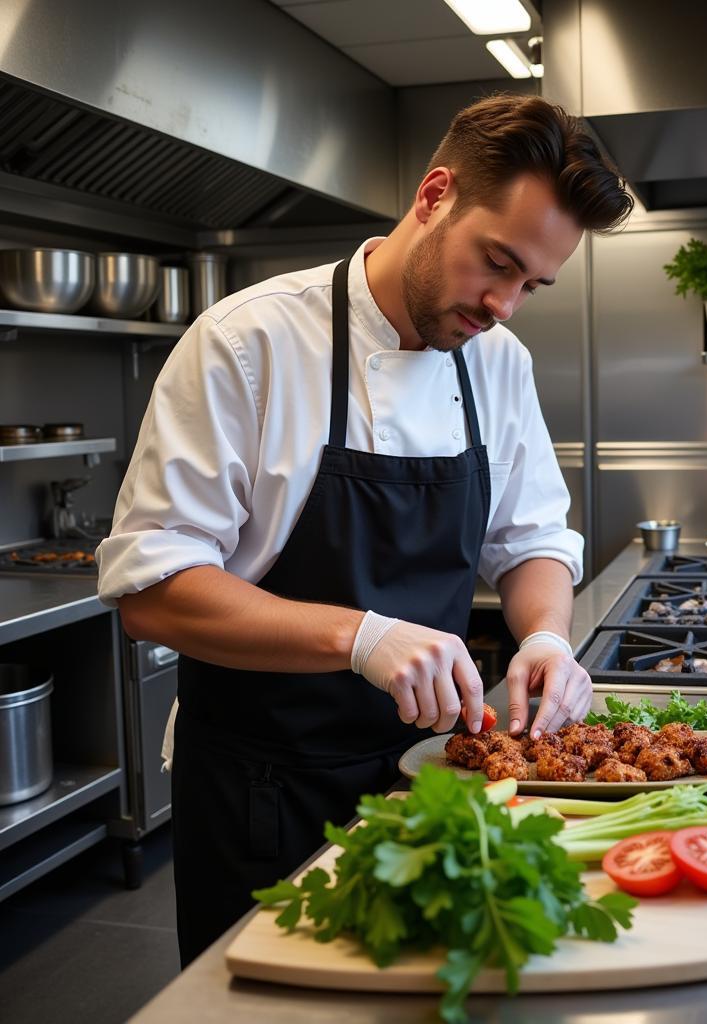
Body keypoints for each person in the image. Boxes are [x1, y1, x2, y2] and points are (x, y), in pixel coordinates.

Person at [96, 92, 633, 966]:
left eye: (531, 284)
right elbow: (153, 595)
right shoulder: (248, 344)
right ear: (434, 196)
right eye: (494, 262)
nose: (503, 304)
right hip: (260, 790)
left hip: (433, 779)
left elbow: (533, 536)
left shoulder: (497, 359)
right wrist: (361, 637)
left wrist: (545, 637)